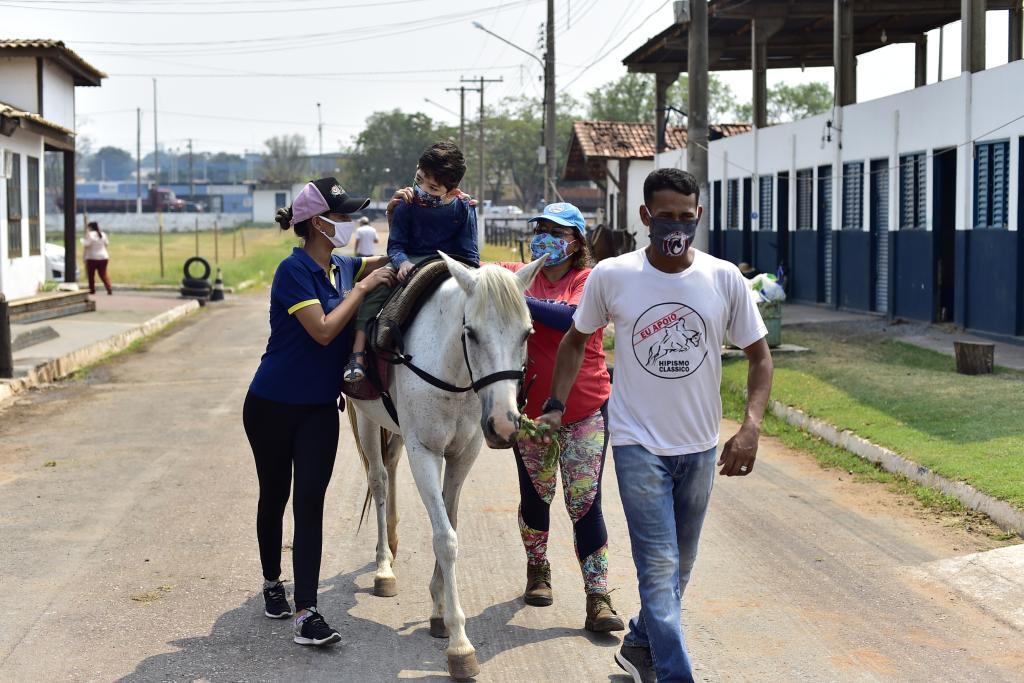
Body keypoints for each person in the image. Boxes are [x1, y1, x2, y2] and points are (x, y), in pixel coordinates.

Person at [535, 168, 774, 683]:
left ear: (699, 218)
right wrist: (556, 401)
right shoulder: (614, 275)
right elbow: (577, 339)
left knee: (679, 568)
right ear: (645, 217)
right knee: (659, 567)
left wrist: (751, 425)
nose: (676, 227)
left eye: (686, 219)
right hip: (636, 441)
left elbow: (759, 355)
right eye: (665, 217)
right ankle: (673, 673)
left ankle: (640, 643)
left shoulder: (723, 277)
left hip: (700, 446)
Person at [243, 177, 395, 647]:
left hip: (317, 411)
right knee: (275, 496)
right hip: (270, 405)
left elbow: (394, 260)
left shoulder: (343, 267)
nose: (349, 223)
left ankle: (308, 612)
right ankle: (273, 582)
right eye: (341, 215)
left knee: (310, 505)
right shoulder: (293, 272)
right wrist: (365, 285)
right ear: (315, 223)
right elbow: (325, 330)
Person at [498, 202, 624, 634]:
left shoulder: (588, 280)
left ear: (576, 241)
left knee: (584, 502)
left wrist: (515, 295)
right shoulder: (517, 272)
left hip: (585, 409)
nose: (546, 238)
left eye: (557, 231)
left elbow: (571, 319)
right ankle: (538, 569)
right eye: (541, 229)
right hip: (531, 414)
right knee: (536, 496)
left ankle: (599, 597)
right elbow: (476, 271)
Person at [344, 141, 479, 382]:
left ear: (453, 192)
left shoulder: (464, 209)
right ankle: (358, 353)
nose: (422, 190)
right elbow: (395, 245)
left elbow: (470, 253)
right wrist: (402, 262)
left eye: (433, 188)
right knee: (372, 292)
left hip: (450, 264)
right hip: (410, 261)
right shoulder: (406, 203)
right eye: (419, 180)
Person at [82, 222, 113, 295]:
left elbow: (86, 245)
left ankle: (92, 289)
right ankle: (109, 287)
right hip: (103, 257)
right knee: (103, 274)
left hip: (92, 257)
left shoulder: (89, 234)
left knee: (91, 275)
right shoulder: (103, 234)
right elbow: (106, 244)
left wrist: (83, 240)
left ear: (90, 227)